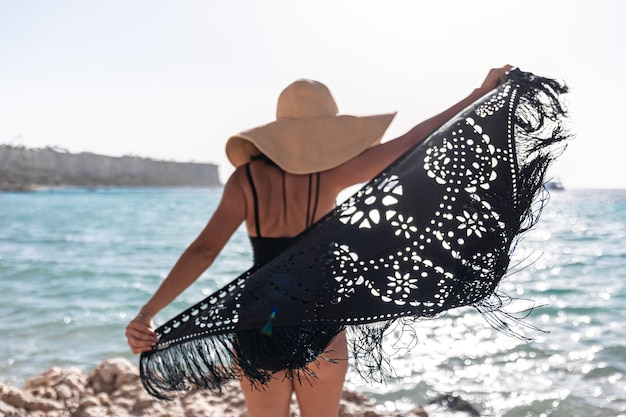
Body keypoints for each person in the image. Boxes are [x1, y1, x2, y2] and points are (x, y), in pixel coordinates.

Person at [126, 65, 512, 417]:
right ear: (327, 131)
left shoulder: (246, 180)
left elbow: (203, 251)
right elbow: (414, 139)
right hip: (317, 312)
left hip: (260, 319)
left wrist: (148, 312)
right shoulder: (333, 173)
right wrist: (478, 93)